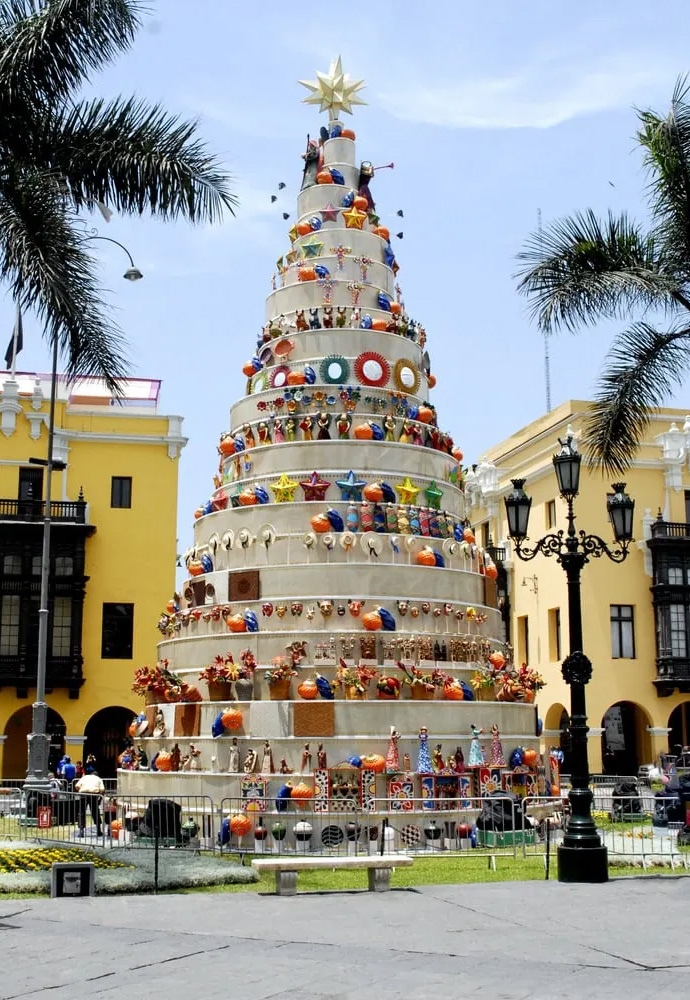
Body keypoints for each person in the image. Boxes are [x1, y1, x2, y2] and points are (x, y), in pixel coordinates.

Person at [75, 770, 105, 837]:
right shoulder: (99, 779)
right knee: (95, 812)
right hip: (93, 795)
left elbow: (76, 786)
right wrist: (99, 799)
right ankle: (98, 831)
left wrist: (80, 791)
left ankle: (81, 832)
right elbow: (102, 790)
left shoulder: (85, 777)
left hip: (83, 794)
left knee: (81, 812)